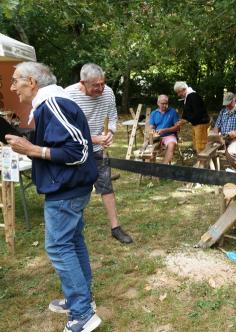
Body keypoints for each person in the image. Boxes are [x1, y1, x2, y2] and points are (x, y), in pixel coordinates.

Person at [6, 62, 101, 332]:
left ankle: (82, 313)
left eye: (16, 81)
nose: (13, 87)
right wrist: (29, 145)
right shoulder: (50, 105)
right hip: (70, 189)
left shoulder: (54, 104)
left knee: (59, 247)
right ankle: (81, 301)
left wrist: (32, 149)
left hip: (67, 190)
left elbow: (78, 151)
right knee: (71, 242)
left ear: (32, 82)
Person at [65, 63, 133, 244]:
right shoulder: (68, 96)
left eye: (103, 83)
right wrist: (93, 139)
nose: (101, 88)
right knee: (75, 189)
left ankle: (115, 228)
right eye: (96, 85)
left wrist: (110, 132)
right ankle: (71, 229)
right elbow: (66, 131)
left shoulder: (108, 93)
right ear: (83, 82)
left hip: (98, 151)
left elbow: (112, 116)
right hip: (74, 152)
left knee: (106, 186)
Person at [212, 92, 236, 168]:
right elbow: (216, 127)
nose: (227, 105)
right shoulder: (223, 111)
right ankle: (215, 172)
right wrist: (216, 137)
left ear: (234, 100)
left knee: (231, 153)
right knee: (209, 150)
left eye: (229, 103)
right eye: (226, 104)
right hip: (224, 137)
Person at [173, 81, 210, 154]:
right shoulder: (188, 96)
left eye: (178, 92)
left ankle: (203, 163)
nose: (178, 94)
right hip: (196, 124)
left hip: (201, 123)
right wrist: (182, 120)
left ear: (183, 89)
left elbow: (198, 113)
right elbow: (188, 111)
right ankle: (200, 161)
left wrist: (185, 120)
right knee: (197, 145)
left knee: (201, 145)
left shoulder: (193, 96)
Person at [149, 94, 180, 164]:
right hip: (157, 136)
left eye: (166, 103)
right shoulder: (154, 113)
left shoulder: (173, 112)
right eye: (162, 104)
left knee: (171, 145)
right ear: (158, 103)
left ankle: (164, 167)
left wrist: (165, 130)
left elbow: (177, 128)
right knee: (149, 146)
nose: (165, 105)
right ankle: (151, 166)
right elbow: (152, 126)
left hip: (170, 135)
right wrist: (152, 129)